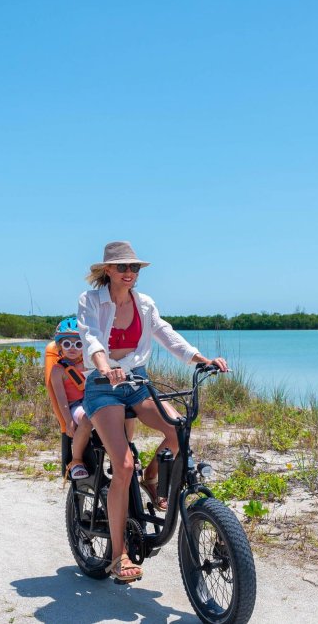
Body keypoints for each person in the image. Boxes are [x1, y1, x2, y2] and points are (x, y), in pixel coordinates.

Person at [77, 241, 228, 583]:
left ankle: (152, 476)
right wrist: (104, 368)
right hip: (103, 386)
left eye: (135, 268)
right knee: (123, 464)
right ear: (108, 271)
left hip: (136, 382)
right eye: (123, 268)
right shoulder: (90, 301)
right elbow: (91, 341)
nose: (130, 274)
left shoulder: (144, 304)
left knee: (178, 430)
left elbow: (167, 335)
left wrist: (201, 359)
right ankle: (119, 556)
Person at [46, 317, 93, 480]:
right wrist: (68, 421)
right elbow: (61, 398)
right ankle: (76, 460)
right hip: (75, 406)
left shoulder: (89, 364)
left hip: (92, 402)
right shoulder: (58, 371)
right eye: (67, 344)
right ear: (60, 347)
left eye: (78, 344)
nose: (72, 348)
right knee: (87, 420)